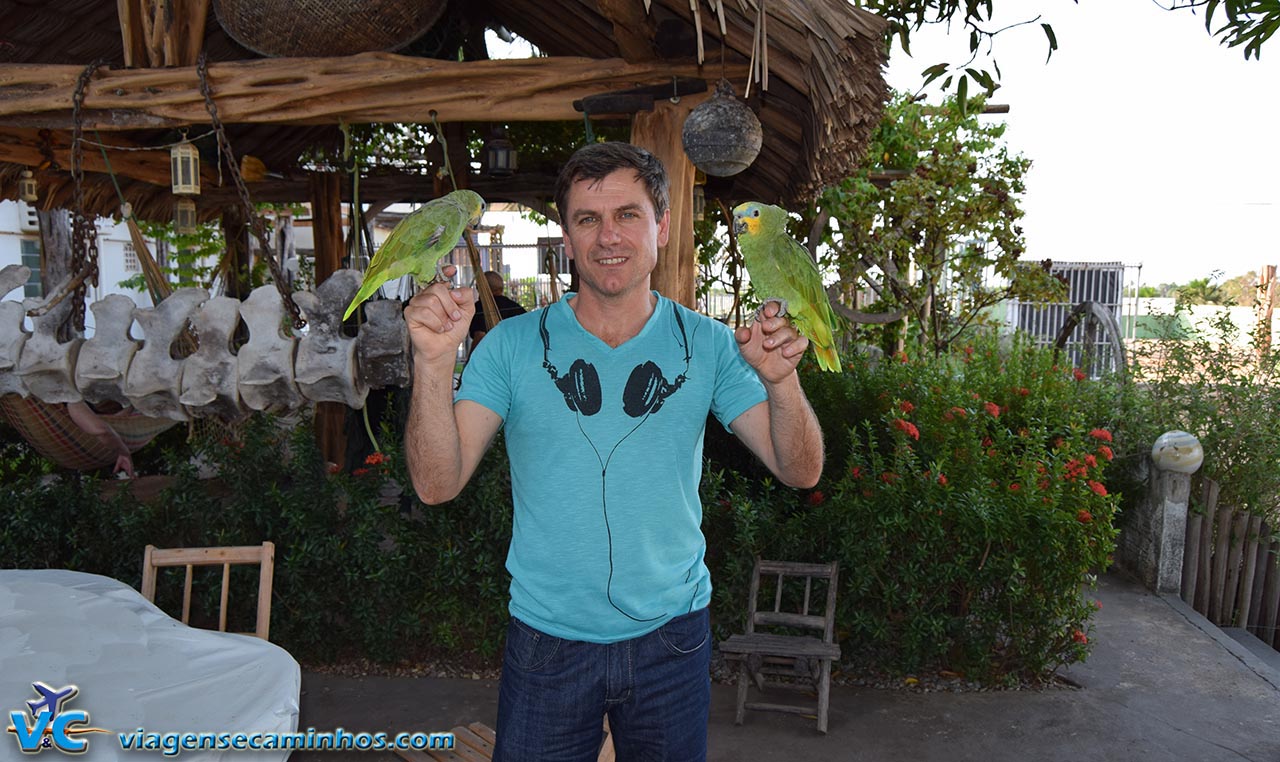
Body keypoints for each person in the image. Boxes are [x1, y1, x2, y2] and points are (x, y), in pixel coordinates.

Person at [404, 142, 824, 761]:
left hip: (672, 642)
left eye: (627, 215)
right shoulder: (512, 346)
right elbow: (436, 485)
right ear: (566, 239)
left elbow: (801, 469)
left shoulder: (710, 345)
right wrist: (433, 364)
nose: (609, 238)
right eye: (586, 219)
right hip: (546, 643)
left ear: (662, 225)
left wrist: (782, 381)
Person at [468, 270, 527, 351]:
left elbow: (480, 336)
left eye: (477, 287)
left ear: (482, 288)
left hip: (493, 357)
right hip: (518, 355)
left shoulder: (480, 307)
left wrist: (470, 361)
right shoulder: (516, 308)